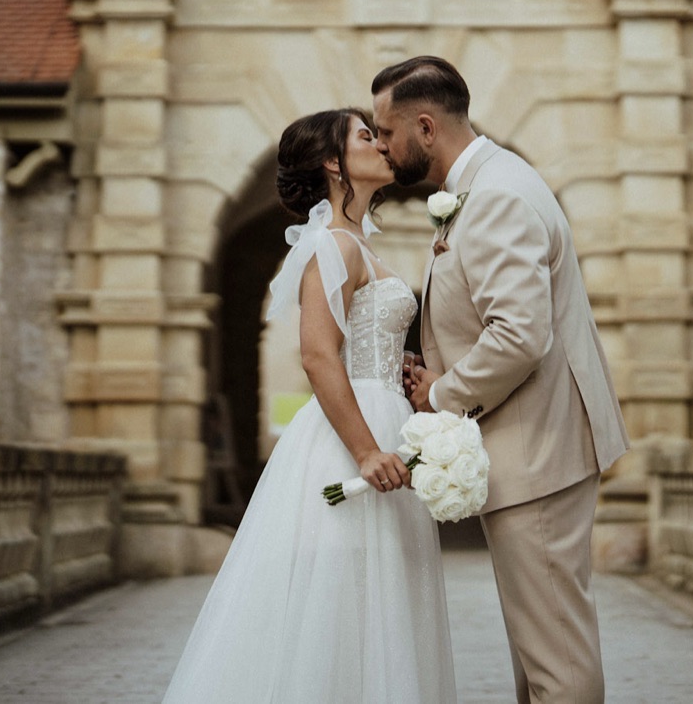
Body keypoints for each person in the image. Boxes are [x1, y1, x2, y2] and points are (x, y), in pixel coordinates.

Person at [159, 108, 456, 704]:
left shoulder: (357, 243)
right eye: (365, 137)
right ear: (331, 161)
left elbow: (351, 347)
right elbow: (318, 356)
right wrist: (367, 451)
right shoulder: (331, 244)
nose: (380, 144)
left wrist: (390, 367)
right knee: (342, 596)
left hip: (381, 412)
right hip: (353, 440)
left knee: (379, 597)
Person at [373, 57, 630, 704]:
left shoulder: (495, 196)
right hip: (532, 444)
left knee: (556, 663)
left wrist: (440, 394)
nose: (380, 144)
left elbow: (519, 335)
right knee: (540, 653)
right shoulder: (485, 184)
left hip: (537, 449)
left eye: (385, 130)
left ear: (425, 127)